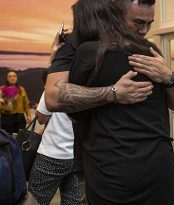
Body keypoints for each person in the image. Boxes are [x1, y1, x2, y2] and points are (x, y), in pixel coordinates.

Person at [68, 0, 174, 204]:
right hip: (112, 170)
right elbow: (69, 106)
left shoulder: (151, 51)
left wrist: (169, 77)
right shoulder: (92, 52)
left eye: (149, 23)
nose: (144, 30)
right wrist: (112, 93)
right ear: (117, 16)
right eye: (138, 22)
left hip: (157, 168)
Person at [45, 0, 161, 203]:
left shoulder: (139, 47)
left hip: (132, 156)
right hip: (94, 155)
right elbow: (53, 97)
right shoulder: (78, 46)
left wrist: (169, 78)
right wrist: (112, 93)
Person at [27, 68, 81, 204]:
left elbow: (41, 118)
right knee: (72, 201)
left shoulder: (55, 84)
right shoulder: (90, 83)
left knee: (35, 200)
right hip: (79, 155)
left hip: (53, 154)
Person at [0, 70, 32, 134]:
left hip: (19, 118)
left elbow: (26, 103)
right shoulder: (2, 89)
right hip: (6, 118)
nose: (12, 78)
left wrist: (29, 115)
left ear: (16, 78)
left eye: (14, 76)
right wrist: (5, 107)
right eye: (10, 76)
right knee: (7, 139)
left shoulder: (21, 89)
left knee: (19, 138)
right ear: (7, 78)